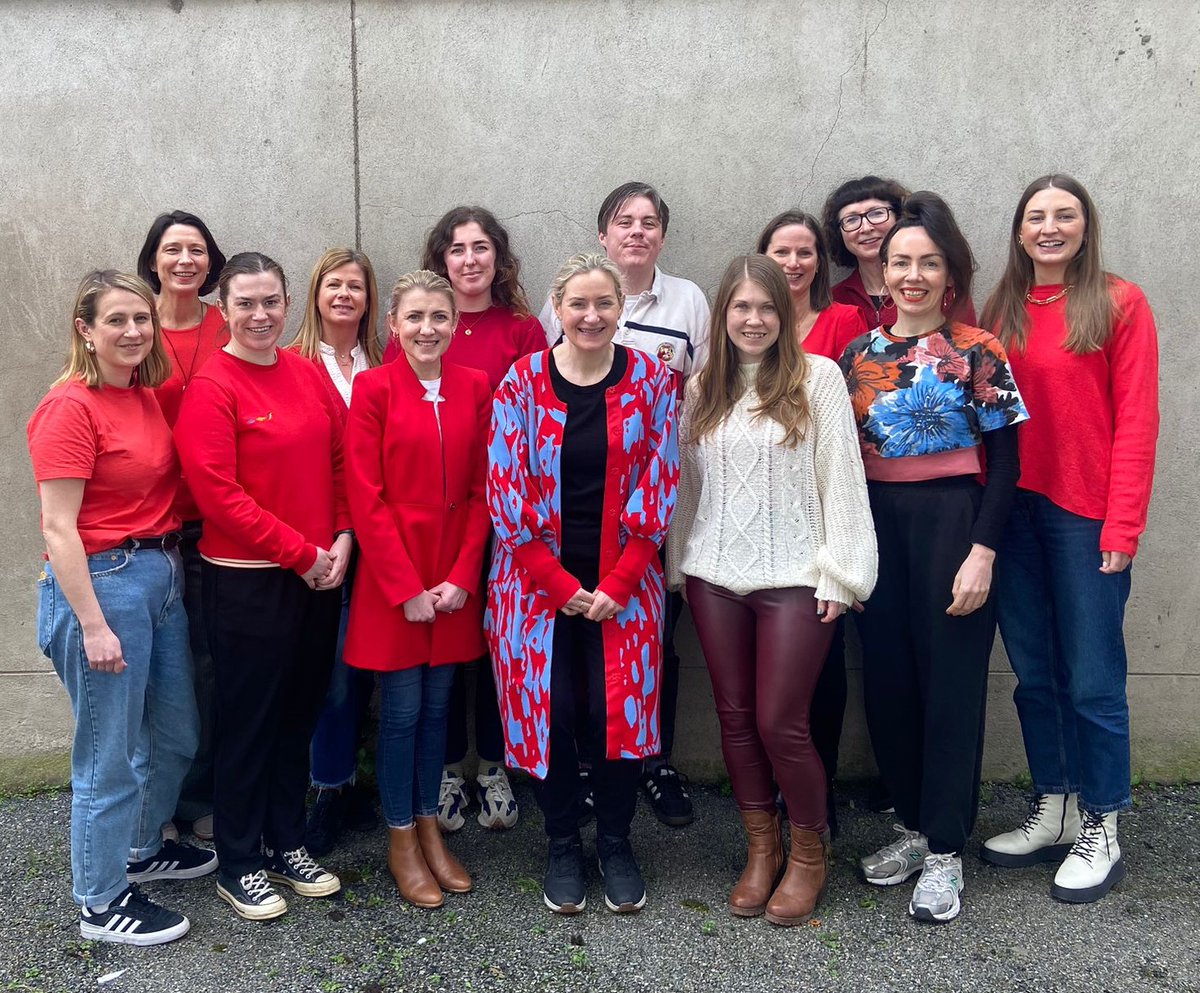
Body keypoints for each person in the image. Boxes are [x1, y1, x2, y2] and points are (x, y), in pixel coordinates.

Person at [668, 255, 876, 925]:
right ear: (722, 316)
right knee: (733, 719)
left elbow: (843, 478)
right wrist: (680, 565)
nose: (753, 320)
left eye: (766, 308)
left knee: (779, 721)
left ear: (783, 316)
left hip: (795, 576)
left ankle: (810, 855)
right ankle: (762, 850)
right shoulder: (701, 388)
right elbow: (687, 489)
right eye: (741, 308)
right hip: (715, 578)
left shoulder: (816, 379)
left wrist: (841, 573)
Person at [838, 193, 1028, 924]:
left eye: (927, 262)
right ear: (881, 272)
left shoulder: (979, 349)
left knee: (949, 686)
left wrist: (983, 551)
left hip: (955, 520)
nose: (911, 274)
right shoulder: (856, 356)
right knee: (888, 682)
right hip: (878, 526)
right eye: (899, 262)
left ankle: (948, 849)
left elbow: (1007, 463)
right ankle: (914, 827)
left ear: (948, 273)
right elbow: (842, 462)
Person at [979, 175, 1159, 904]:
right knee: (1036, 673)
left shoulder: (1120, 302)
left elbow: (1138, 420)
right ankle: (1056, 804)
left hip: (1085, 516)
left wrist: (1124, 523)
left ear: (1086, 226)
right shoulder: (1003, 308)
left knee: (1091, 678)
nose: (1049, 227)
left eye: (1065, 215)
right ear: (1020, 230)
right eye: (1036, 216)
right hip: (1014, 513)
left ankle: (1102, 821)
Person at [28, 270, 216, 946]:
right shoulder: (69, 406)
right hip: (102, 584)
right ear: (86, 328)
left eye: (142, 319)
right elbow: (58, 527)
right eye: (117, 321)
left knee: (174, 734)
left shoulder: (139, 396)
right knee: (107, 754)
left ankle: (142, 847)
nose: (134, 331)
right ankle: (101, 900)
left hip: (159, 574)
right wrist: (92, 622)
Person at [489, 254, 678, 914]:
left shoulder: (651, 381)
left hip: (623, 589)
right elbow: (505, 490)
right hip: (535, 590)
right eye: (579, 304)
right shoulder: (521, 384)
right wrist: (554, 580)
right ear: (557, 307)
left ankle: (618, 841)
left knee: (614, 715)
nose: (592, 315)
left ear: (618, 308)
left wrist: (621, 579)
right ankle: (564, 839)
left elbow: (661, 481)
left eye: (604, 303)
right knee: (555, 712)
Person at [175, 252, 350, 921]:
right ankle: (240, 861)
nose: (259, 315)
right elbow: (218, 494)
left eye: (271, 301)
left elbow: (339, 464)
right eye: (245, 303)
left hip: (319, 573)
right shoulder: (213, 386)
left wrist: (339, 538)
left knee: (296, 717)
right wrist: (299, 552)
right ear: (223, 306)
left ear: (287, 303)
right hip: (248, 581)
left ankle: (286, 841)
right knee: (248, 723)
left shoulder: (304, 373)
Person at [540, 181, 708, 828]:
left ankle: (651, 763)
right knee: (577, 664)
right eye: (623, 221)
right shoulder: (570, 310)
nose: (637, 231)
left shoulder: (688, 300)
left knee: (651, 648)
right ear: (604, 235)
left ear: (661, 235)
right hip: (571, 523)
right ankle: (583, 773)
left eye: (649, 222)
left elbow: (698, 392)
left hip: (651, 504)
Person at [386, 206, 545, 834]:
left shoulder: (525, 329)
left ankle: (498, 766)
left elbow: (539, 417)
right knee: (442, 643)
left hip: (510, 514)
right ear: (440, 260)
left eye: (482, 248)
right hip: (435, 523)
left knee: (497, 646)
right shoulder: (417, 328)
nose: (470, 259)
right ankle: (450, 768)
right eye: (457, 249)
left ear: (498, 258)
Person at [343, 270, 492, 908]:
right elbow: (364, 495)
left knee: (438, 710)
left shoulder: (476, 385)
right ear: (394, 327)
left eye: (439, 317)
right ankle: (402, 836)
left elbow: (490, 486)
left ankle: (431, 827)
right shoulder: (373, 389)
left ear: (454, 324)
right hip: (393, 579)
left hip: (453, 578)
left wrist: (462, 576)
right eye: (415, 318)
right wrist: (405, 586)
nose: (428, 329)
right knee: (401, 711)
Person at [756, 210, 868, 836]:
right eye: (782, 251)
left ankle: (815, 799)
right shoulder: (749, 323)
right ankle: (774, 800)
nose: (794, 263)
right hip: (755, 528)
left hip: (819, 515)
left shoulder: (844, 323)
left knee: (820, 671)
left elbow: (848, 430)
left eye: (806, 252)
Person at [136, 210, 227, 842]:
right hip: (155, 526)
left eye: (197, 249)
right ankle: (157, 806)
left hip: (216, 524)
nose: (186, 260)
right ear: (154, 261)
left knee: (208, 666)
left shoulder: (227, 326)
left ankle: (196, 799)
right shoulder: (137, 329)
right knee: (159, 674)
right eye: (173, 250)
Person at [292, 248, 383, 856]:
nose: (345, 295)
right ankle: (325, 790)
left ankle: (352, 784)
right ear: (316, 294)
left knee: (364, 674)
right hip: (318, 542)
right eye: (334, 284)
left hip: (382, 542)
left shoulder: (386, 360)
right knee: (328, 677)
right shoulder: (295, 363)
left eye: (356, 285)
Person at [823, 176, 980, 334]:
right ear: (839, 233)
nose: (866, 227)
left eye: (876, 213)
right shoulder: (833, 299)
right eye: (851, 219)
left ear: (899, 218)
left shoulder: (944, 292)